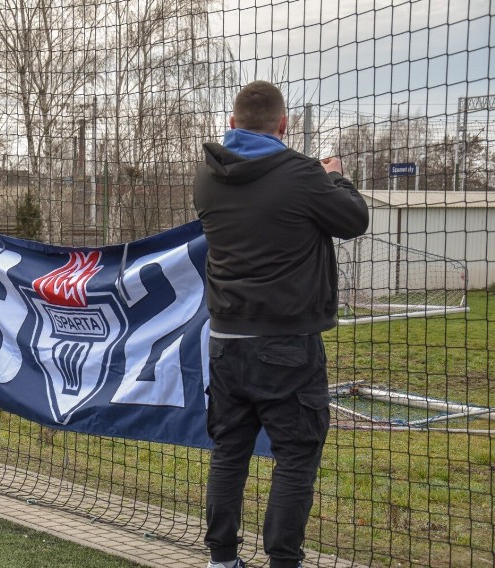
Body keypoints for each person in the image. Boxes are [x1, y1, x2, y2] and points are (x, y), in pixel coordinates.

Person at [193, 81, 369, 568]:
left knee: (230, 452)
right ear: (284, 125)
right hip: (287, 345)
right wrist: (334, 177)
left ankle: (221, 560)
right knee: (295, 457)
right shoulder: (301, 175)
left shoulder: (206, 177)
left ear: (232, 125)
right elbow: (353, 220)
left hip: (225, 344)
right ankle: (283, 561)